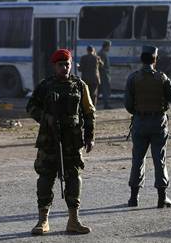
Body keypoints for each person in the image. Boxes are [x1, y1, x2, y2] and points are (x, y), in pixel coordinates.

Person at [27, 49, 95, 235]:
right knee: (45, 179)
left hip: (72, 141)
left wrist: (89, 136)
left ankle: (73, 220)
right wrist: (45, 117)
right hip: (49, 140)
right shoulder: (45, 86)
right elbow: (31, 106)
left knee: (73, 178)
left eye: (67, 64)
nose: (64, 68)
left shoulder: (80, 85)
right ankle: (43, 221)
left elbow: (89, 112)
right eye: (61, 65)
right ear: (54, 66)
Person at [124, 45, 171, 208]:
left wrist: (139, 111)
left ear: (142, 59)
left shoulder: (133, 78)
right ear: (155, 60)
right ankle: (162, 198)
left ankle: (134, 198)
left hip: (140, 122)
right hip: (158, 123)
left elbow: (128, 105)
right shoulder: (162, 78)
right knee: (159, 159)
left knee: (137, 160)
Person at [98, 40, 112, 109]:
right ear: (106, 46)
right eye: (109, 46)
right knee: (105, 89)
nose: (109, 48)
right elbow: (101, 65)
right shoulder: (102, 53)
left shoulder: (101, 52)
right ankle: (106, 104)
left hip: (103, 73)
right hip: (104, 74)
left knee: (100, 90)